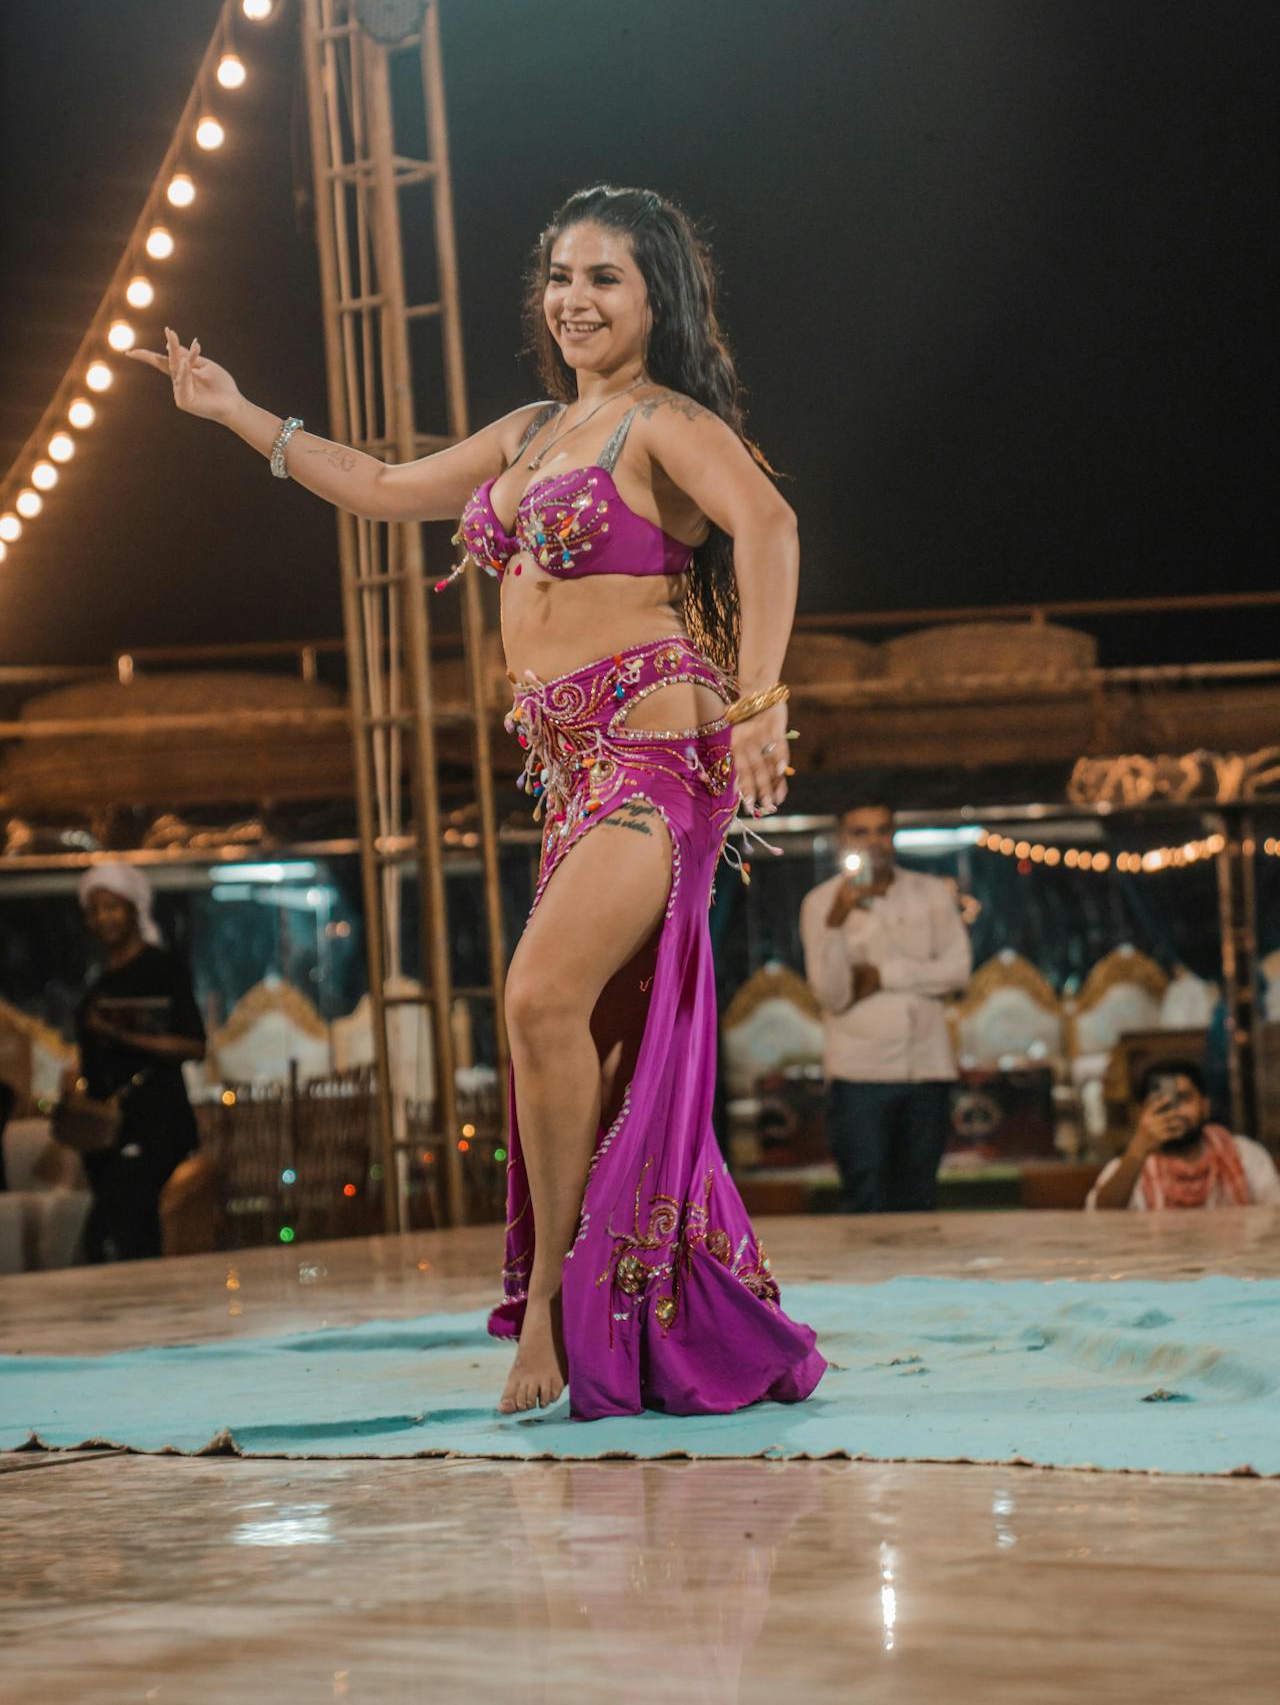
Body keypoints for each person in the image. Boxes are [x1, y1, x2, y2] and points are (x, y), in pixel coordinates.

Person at [132, 184, 826, 1422]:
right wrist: (235, 410)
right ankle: (642, 1300)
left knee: (536, 996)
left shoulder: (665, 423)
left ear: (656, 295)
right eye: (560, 275)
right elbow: (379, 483)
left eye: (604, 277)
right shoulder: (531, 432)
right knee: (586, 1038)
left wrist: (761, 696)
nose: (574, 299)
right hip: (569, 775)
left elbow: (767, 525)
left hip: (654, 755)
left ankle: (552, 1304)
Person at [800, 802, 972, 1214]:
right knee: (866, 1198)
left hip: (927, 1068)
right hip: (860, 1074)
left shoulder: (931, 893)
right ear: (842, 840)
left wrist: (882, 976)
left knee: (920, 1199)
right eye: (860, 832)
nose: (873, 841)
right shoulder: (821, 903)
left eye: (882, 830)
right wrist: (837, 921)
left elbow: (957, 971)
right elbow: (832, 996)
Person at [74, 865, 206, 1262]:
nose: (103, 918)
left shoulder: (161, 969)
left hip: (155, 1125)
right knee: (110, 1237)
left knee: (136, 1235)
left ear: (134, 908)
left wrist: (120, 1034)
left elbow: (195, 1045)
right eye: (94, 910)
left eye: (112, 906)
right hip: (105, 1135)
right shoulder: (98, 982)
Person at [1086, 1057, 1280, 1210]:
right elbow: (1101, 1219)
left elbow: (1275, 1216)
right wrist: (1138, 1151)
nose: (1174, 1112)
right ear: (1142, 1113)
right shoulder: (1130, 1167)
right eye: (1159, 1102)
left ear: (1205, 1106)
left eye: (1183, 1098)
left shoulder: (1244, 1155)